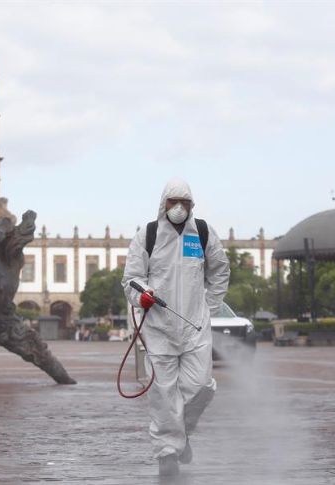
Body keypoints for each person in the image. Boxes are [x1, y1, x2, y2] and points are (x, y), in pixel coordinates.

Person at [121, 177, 230, 476]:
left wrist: (209, 307)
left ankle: (181, 435)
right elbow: (131, 277)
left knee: (201, 386)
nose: (179, 208)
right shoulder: (149, 234)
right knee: (164, 392)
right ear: (163, 203)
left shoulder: (204, 233)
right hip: (158, 327)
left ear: (192, 205)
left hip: (195, 327)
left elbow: (220, 270)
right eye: (174, 202)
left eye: (185, 203)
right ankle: (167, 454)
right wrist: (141, 294)